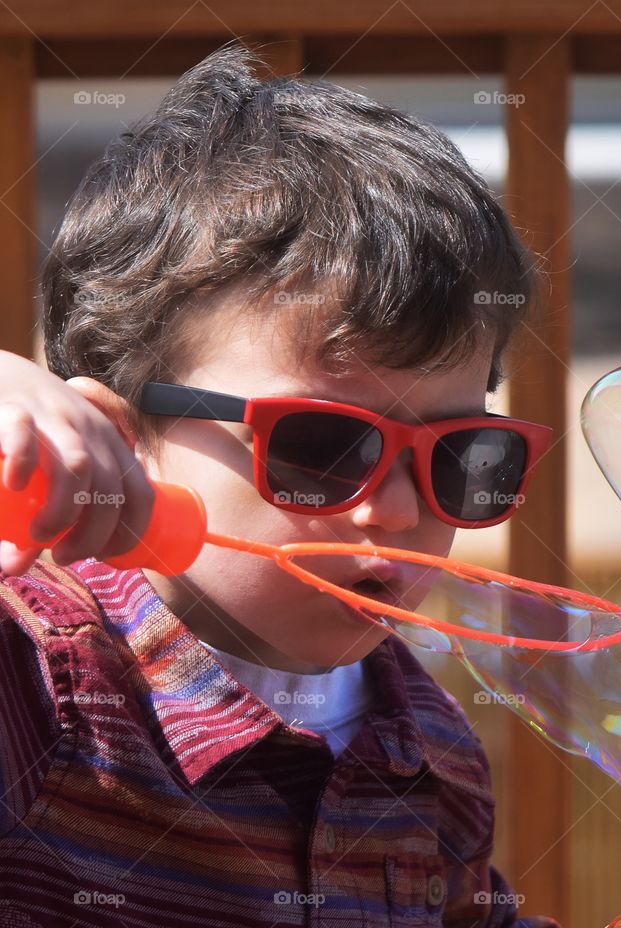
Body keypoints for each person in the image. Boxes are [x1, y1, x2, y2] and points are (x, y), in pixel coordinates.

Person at [0, 39, 560, 927]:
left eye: (461, 457)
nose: (396, 511)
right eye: (324, 447)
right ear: (123, 434)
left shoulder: (432, 747)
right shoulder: (35, 680)